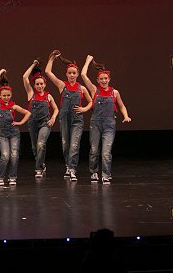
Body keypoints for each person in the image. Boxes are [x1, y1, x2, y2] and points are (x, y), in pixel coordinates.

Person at [80, 55, 131, 184]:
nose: (103, 81)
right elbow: (83, 75)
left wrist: (126, 116)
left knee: (106, 152)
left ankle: (106, 174)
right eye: (101, 79)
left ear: (109, 79)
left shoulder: (115, 92)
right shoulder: (94, 90)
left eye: (105, 78)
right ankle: (94, 172)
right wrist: (87, 61)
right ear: (97, 80)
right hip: (96, 123)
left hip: (109, 124)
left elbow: (122, 106)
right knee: (94, 150)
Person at [44, 50, 93, 181]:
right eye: (69, 73)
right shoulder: (62, 85)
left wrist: (84, 109)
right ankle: (68, 165)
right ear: (66, 74)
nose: (72, 75)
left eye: (74, 73)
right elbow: (48, 72)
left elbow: (91, 102)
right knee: (65, 144)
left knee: (74, 145)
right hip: (64, 118)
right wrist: (52, 58)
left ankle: (72, 169)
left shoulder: (81, 88)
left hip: (77, 120)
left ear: (77, 74)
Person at [0, 69, 31, 186]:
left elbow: (28, 113)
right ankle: (0, 178)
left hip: (13, 133)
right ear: (0, 95)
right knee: (5, 156)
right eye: (4, 95)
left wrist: (20, 122)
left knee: (14, 156)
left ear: (11, 95)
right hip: (2, 133)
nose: (6, 97)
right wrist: (0, 72)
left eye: (8, 95)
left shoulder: (14, 106)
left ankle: (12, 177)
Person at [22, 60, 58, 178]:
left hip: (45, 123)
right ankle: (41, 164)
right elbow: (25, 77)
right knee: (35, 147)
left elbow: (56, 109)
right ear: (34, 85)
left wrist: (53, 117)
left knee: (41, 144)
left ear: (45, 84)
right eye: (37, 84)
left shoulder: (48, 96)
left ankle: (38, 169)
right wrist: (33, 65)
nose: (39, 86)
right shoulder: (31, 94)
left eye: (41, 84)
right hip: (32, 123)